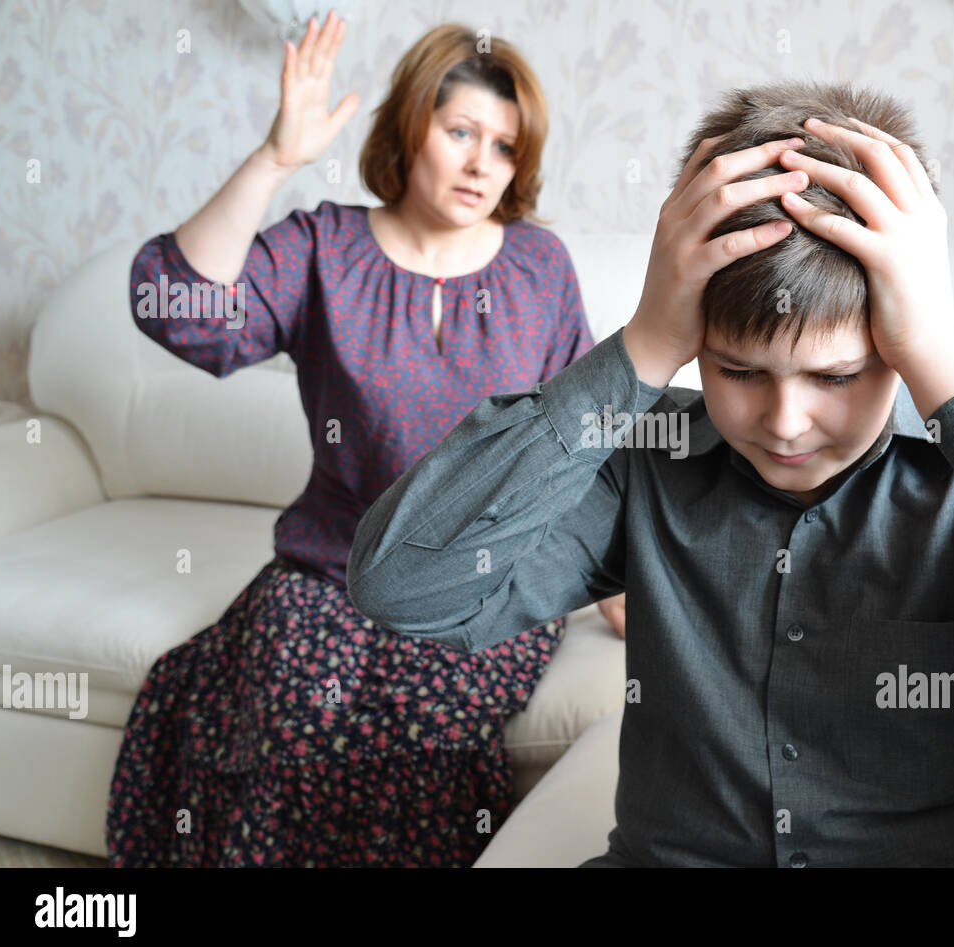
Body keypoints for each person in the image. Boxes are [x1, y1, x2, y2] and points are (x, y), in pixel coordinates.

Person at [344, 80, 954, 866]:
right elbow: (402, 587)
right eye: (739, 371)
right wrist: (640, 350)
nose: (784, 423)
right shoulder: (645, 461)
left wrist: (942, 352)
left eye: (834, 376)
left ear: (898, 347)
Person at [105, 15, 623, 867]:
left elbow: (586, 439)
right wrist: (275, 159)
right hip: (327, 569)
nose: (480, 162)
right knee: (291, 706)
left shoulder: (539, 267)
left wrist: (614, 577)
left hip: (481, 584)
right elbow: (176, 309)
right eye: (459, 131)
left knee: (416, 736)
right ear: (410, 125)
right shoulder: (324, 246)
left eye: (503, 145)